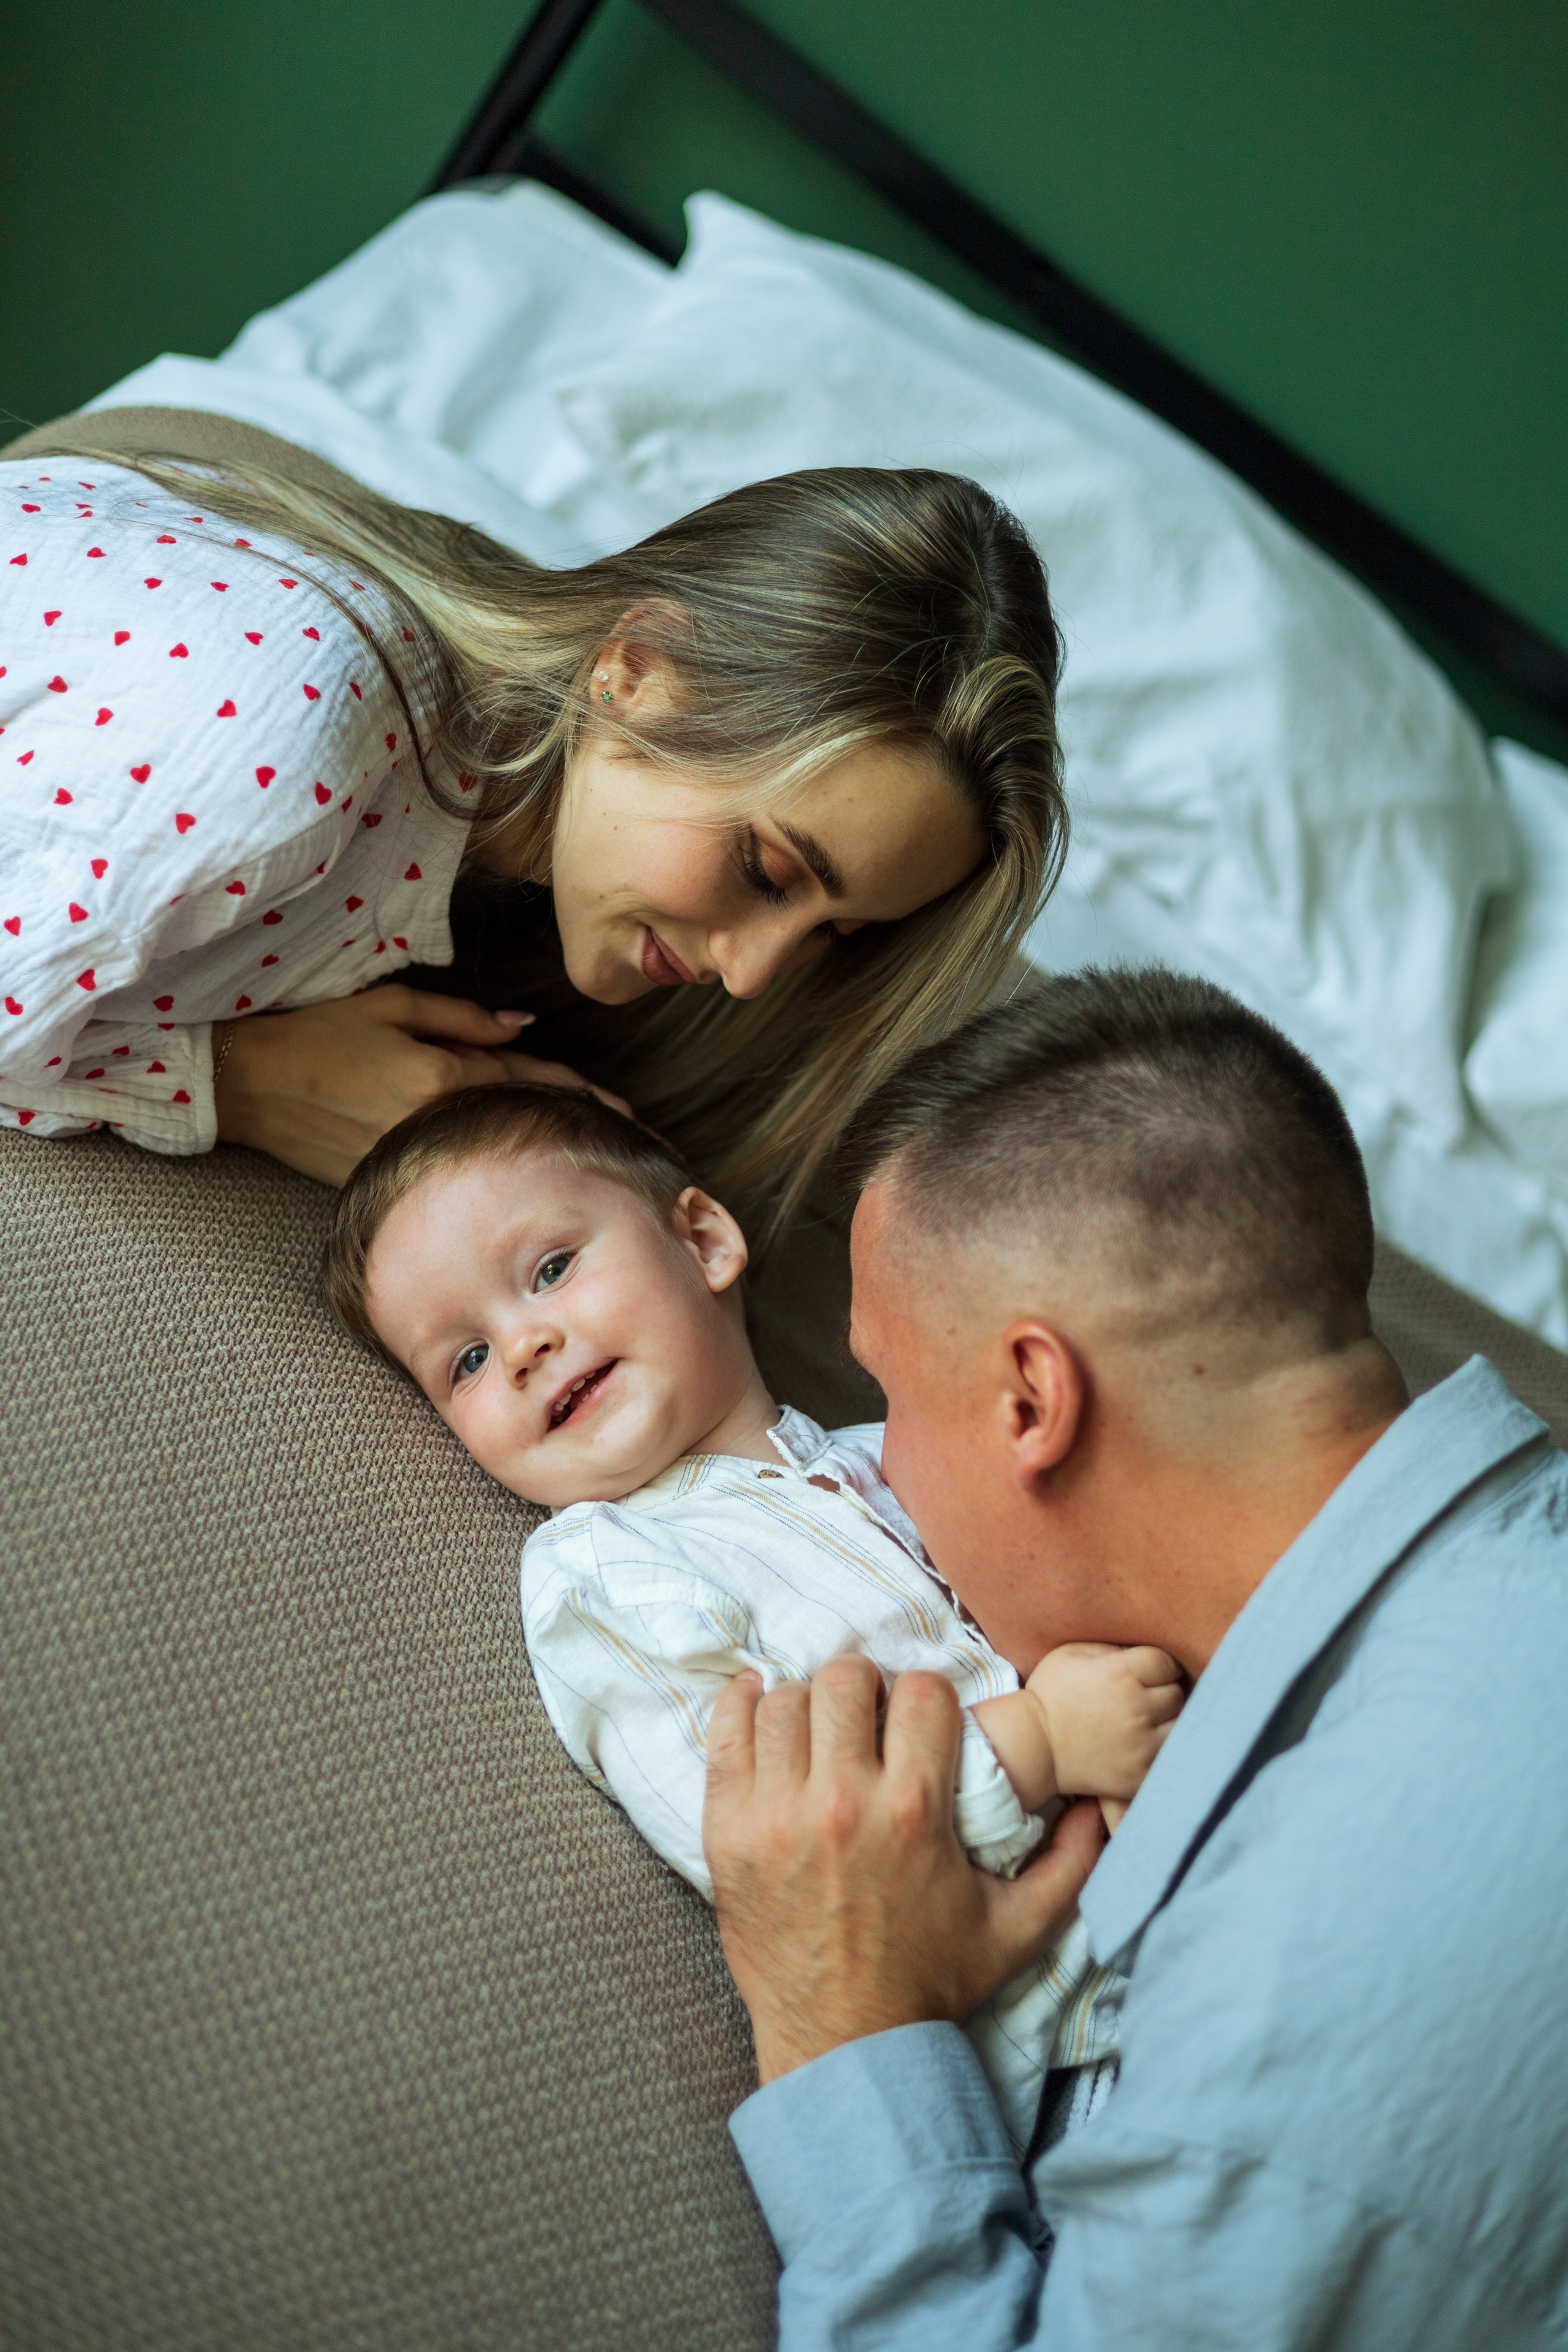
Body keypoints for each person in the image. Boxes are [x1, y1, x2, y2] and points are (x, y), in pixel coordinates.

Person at [701, 967, 1568, 2351]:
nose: (880, 1472)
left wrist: (844, 2025)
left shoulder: (1309, 1978)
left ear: (1030, 1399)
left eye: (888, 1399)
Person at [319, 1078, 1183, 2146]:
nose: (525, 1345)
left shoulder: (891, 1451)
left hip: (1188, 1920)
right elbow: (776, 1865)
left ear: (703, 1238)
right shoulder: (601, 1576)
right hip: (1070, 2070)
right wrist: (1046, 1739)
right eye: (467, 1361)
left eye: (550, 1271)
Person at [0, 432, 1065, 1231]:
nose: (754, 975)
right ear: (636, 668)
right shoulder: (287, 732)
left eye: (835, 933)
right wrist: (242, 1083)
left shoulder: (474, 844)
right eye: (768, 869)